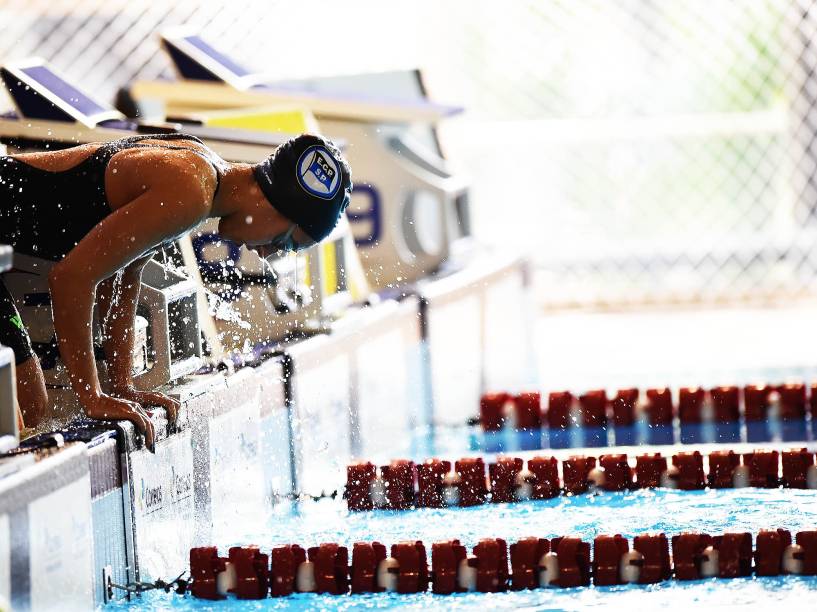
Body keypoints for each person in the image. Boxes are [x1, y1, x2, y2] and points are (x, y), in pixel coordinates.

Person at [0, 132, 352, 450]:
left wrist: (121, 385)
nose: (265, 252)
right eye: (284, 240)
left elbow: (123, 276)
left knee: (29, 406)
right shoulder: (191, 192)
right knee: (22, 416)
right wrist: (92, 396)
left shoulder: (202, 171)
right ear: (274, 200)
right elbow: (71, 279)